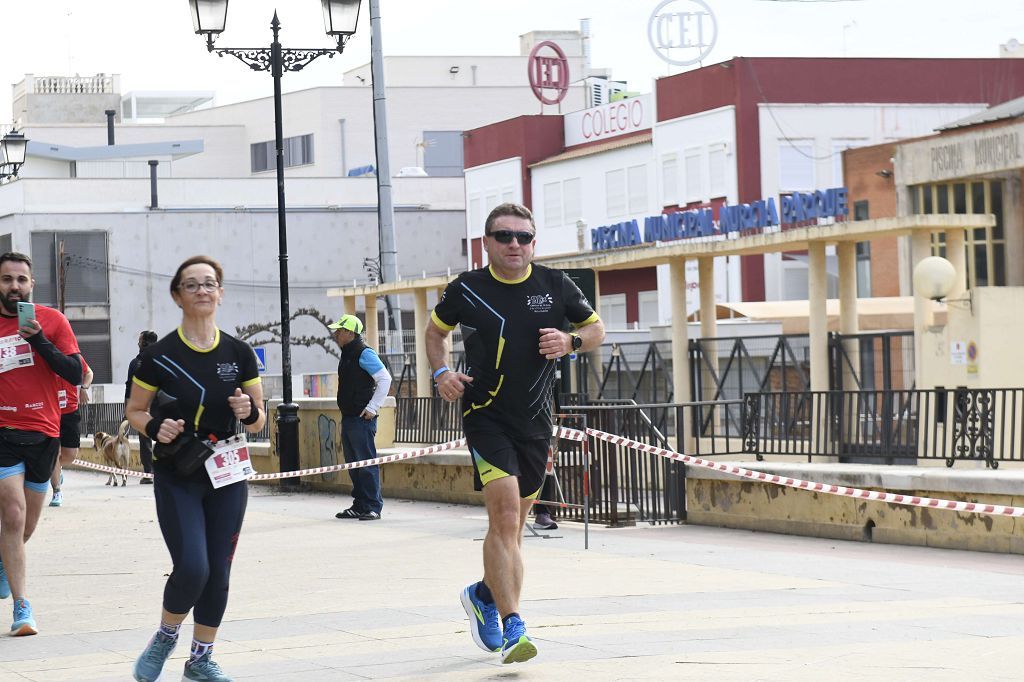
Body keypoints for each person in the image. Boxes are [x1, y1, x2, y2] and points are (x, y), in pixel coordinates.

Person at [425, 203, 605, 664]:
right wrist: (442, 372)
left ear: (533, 243)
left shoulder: (555, 285)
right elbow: (434, 333)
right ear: (487, 242)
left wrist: (571, 342)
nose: (514, 245)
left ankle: (484, 594)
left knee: (515, 528)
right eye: (504, 236)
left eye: (523, 237)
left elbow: (595, 328)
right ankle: (514, 626)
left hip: (536, 422)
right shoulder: (467, 289)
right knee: (505, 518)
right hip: (485, 416)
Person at [126, 255, 265, 682]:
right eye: (192, 284)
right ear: (177, 296)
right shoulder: (158, 356)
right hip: (179, 474)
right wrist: (156, 426)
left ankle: (200, 660)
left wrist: (248, 410)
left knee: (218, 572)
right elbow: (135, 411)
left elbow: (260, 419)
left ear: (220, 293)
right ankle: (166, 635)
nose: (202, 290)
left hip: (228, 473)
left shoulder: (239, 353)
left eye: (209, 283)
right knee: (193, 567)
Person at [0, 251, 84, 636]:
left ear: (32, 284)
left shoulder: (52, 321)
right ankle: (22, 608)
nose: (14, 286)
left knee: (27, 525)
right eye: (7, 279)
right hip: (3, 431)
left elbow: (76, 373)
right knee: (13, 513)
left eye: (21, 279)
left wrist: (39, 341)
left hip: (44, 434)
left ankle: (5, 562)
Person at [330, 314, 392, 521]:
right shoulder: (348, 353)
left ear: (350, 332)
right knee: (354, 465)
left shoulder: (364, 353)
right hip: (349, 417)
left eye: (339, 331)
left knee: (366, 464)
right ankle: (360, 505)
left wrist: (373, 407)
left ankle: (373, 506)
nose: (336, 334)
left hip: (361, 419)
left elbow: (384, 379)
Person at [49, 358, 94, 507]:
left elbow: (89, 373)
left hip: (70, 411)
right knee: (54, 453)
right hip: (50, 412)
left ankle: (56, 469)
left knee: (70, 455)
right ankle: (57, 490)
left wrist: (84, 388)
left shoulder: (72, 356)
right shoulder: (45, 354)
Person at [126, 330, 159, 484]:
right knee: (166, 437)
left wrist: (127, 409)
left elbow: (129, 387)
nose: (138, 343)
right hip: (161, 406)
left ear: (144, 343)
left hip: (143, 407)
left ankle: (149, 473)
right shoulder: (163, 360)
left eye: (140, 341)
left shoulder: (136, 363)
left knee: (145, 441)